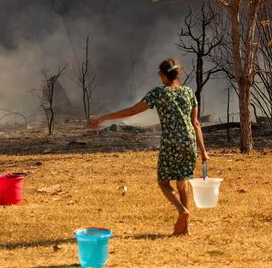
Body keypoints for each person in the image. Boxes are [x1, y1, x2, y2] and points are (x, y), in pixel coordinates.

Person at [90, 59, 210, 236]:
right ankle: (185, 229)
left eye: (159, 74)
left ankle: (182, 211)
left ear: (163, 75)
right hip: (189, 142)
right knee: (182, 183)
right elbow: (196, 124)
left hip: (171, 142)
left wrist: (105, 117)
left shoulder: (159, 93)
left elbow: (132, 111)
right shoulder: (188, 92)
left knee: (163, 182)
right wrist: (204, 151)